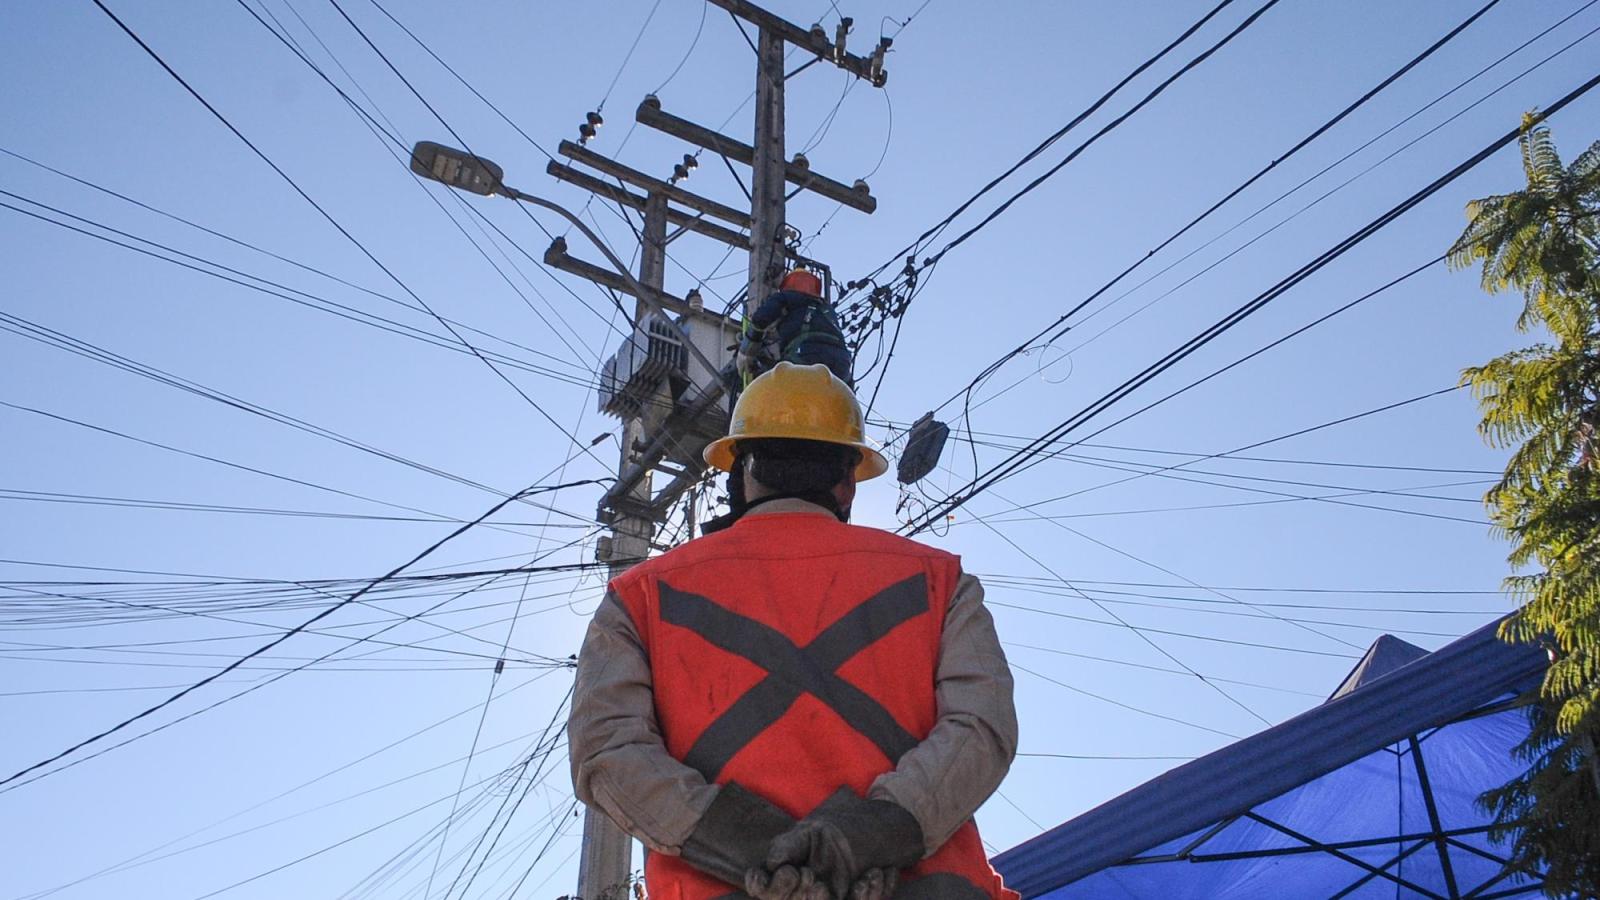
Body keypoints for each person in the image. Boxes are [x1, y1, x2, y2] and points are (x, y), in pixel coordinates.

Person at [570, 362, 1019, 900]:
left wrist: (762, 852)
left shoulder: (638, 597)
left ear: (742, 473)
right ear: (847, 483)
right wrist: (867, 836)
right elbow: (981, 727)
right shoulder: (941, 581)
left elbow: (607, 749)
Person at [738, 270, 855, 388]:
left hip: (807, 354)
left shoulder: (787, 297)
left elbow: (760, 319)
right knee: (835, 396)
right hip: (842, 364)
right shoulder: (827, 310)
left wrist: (747, 351)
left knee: (780, 389)